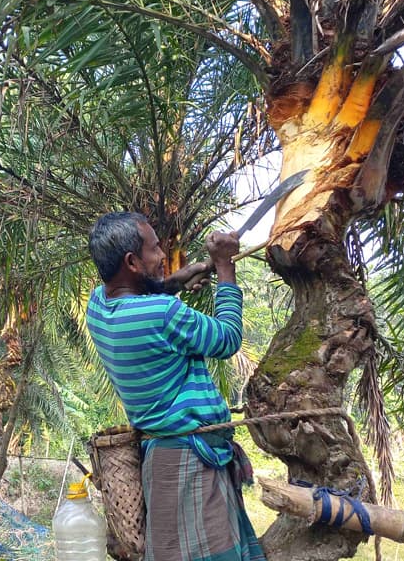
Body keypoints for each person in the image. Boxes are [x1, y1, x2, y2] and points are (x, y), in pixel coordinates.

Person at [86, 212, 266, 561]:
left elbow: (135, 299)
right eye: (154, 250)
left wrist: (176, 280)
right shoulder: (163, 313)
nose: (162, 257)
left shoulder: (98, 305)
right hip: (190, 461)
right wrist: (226, 268)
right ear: (132, 261)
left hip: (162, 459)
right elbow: (227, 339)